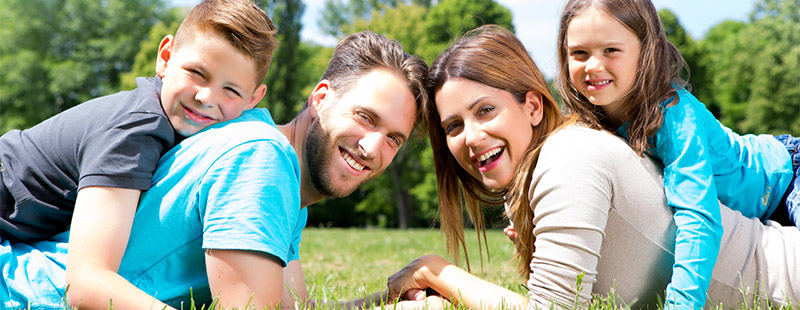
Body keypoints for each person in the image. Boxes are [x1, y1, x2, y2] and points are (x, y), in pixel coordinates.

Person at [0, 29, 429, 310]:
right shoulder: (261, 159)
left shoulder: (278, 170)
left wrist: (386, 300)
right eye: (365, 117)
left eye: (394, 138)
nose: (373, 147)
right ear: (320, 98)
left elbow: (293, 307)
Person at [385, 24, 800, 309]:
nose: (470, 137)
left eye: (486, 110)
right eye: (454, 126)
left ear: (531, 106)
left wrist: (436, 272)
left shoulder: (567, 159)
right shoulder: (550, 167)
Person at [554, 0, 799, 308]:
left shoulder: (676, 115)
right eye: (579, 53)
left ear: (648, 51)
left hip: (785, 177)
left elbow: (698, 217)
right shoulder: (586, 124)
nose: (593, 65)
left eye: (611, 51)